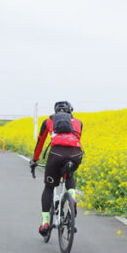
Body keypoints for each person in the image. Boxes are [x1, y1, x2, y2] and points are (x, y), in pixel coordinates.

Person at [29, 100, 83, 236]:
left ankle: (45, 223)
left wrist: (35, 160)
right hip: (76, 154)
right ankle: (72, 202)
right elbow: (76, 140)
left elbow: (40, 142)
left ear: (55, 111)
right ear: (70, 111)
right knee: (69, 175)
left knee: (49, 187)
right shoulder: (78, 122)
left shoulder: (48, 121)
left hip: (56, 154)